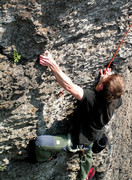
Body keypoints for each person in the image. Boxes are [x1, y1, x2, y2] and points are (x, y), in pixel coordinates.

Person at [36, 50, 125, 180]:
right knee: (86, 155)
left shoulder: (91, 99)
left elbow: (69, 86)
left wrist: (52, 64)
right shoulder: (115, 97)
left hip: (76, 140)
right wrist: (106, 80)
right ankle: (85, 173)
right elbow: (107, 92)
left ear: (100, 87)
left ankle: (44, 158)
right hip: (94, 136)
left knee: (40, 143)